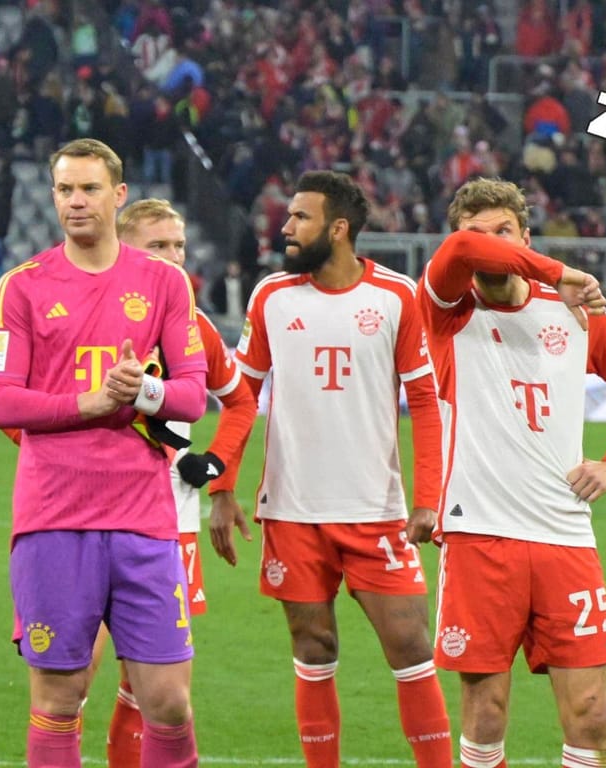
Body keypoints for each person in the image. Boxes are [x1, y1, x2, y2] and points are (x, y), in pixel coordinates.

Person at [0, 138, 207, 768]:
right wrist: (89, 403)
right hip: (54, 519)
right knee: (59, 697)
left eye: (89, 189)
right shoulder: (21, 287)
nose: (76, 202)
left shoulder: (165, 282)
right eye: (64, 190)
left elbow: (193, 395)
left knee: (168, 702)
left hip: (144, 520)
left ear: (119, 195)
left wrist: (146, 391)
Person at [420, 178, 606, 768]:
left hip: (565, 537)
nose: (487, 246)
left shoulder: (574, 313)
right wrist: (559, 269)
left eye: (503, 232)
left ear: (524, 238)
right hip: (480, 534)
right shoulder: (448, 307)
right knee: (486, 715)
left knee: (591, 715)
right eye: (476, 234)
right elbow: (457, 255)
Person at [232, 170, 452, 768]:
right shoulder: (271, 297)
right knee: (313, 643)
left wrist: (427, 498)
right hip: (292, 512)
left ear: (339, 227)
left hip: (376, 513)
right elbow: (240, 398)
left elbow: (427, 405)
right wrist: (224, 484)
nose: (286, 227)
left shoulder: (396, 296)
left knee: (410, 645)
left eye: (299, 217)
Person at [85, 198, 257, 767]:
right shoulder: (86, 316)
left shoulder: (193, 324)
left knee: (153, 688)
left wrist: (215, 470)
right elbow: (25, 418)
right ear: (124, 246)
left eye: (179, 245)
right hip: (82, 517)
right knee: (72, 677)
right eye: (158, 245)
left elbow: (240, 401)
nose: (174, 256)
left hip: (170, 526)